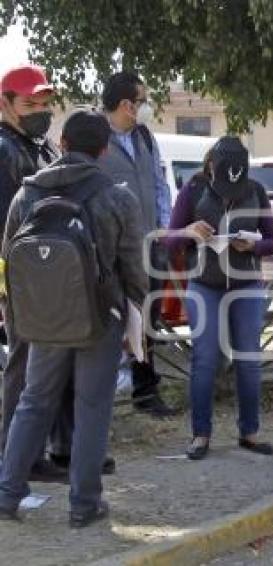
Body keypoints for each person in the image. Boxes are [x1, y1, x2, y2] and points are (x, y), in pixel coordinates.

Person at [0, 108, 148, 527]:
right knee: (92, 407)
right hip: (100, 318)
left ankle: (7, 494)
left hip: (44, 319)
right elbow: (134, 267)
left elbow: (9, 258)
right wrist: (135, 312)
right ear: (103, 150)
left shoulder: (26, 195)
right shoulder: (118, 197)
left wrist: (16, 312)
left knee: (33, 401)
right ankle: (84, 505)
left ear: (62, 144)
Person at [165, 136, 273, 459]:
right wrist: (188, 232)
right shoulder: (193, 189)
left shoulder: (255, 191)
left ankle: (250, 432)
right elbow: (169, 240)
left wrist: (253, 245)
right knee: (206, 358)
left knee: (249, 358)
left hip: (246, 283)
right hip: (205, 283)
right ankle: (201, 434)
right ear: (212, 165)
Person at [0, 64, 69, 482]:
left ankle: (33, 452)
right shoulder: (5, 150)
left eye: (45, 103)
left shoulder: (40, 148)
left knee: (44, 368)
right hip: (22, 276)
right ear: (5, 103)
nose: (40, 110)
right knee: (24, 366)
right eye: (30, 103)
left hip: (49, 272)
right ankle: (14, 457)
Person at [99, 71, 177, 417]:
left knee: (148, 320)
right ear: (126, 105)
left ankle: (145, 392)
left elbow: (159, 186)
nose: (147, 106)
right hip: (112, 253)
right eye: (142, 100)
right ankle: (100, 392)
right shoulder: (96, 136)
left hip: (151, 247)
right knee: (111, 321)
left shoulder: (145, 136)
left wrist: (164, 229)